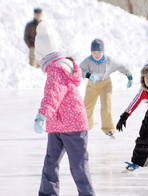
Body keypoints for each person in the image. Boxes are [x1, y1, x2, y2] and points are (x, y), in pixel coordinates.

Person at [33, 22, 95, 196]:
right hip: (58, 126)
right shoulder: (60, 67)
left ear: (42, 54)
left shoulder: (56, 69)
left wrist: (42, 116)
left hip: (73, 126)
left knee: (78, 166)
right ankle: (47, 193)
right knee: (51, 163)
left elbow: (53, 94)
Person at [80, 39, 133, 137]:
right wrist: (88, 75)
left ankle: (108, 128)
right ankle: (87, 126)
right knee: (87, 107)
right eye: (94, 52)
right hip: (92, 86)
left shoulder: (109, 60)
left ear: (103, 51)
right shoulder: (87, 61)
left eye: (99, 52)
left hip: (106, 85)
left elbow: (121, 66)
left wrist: (129, 76)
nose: (96, 54)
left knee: (106, 106)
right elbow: (79, 70)